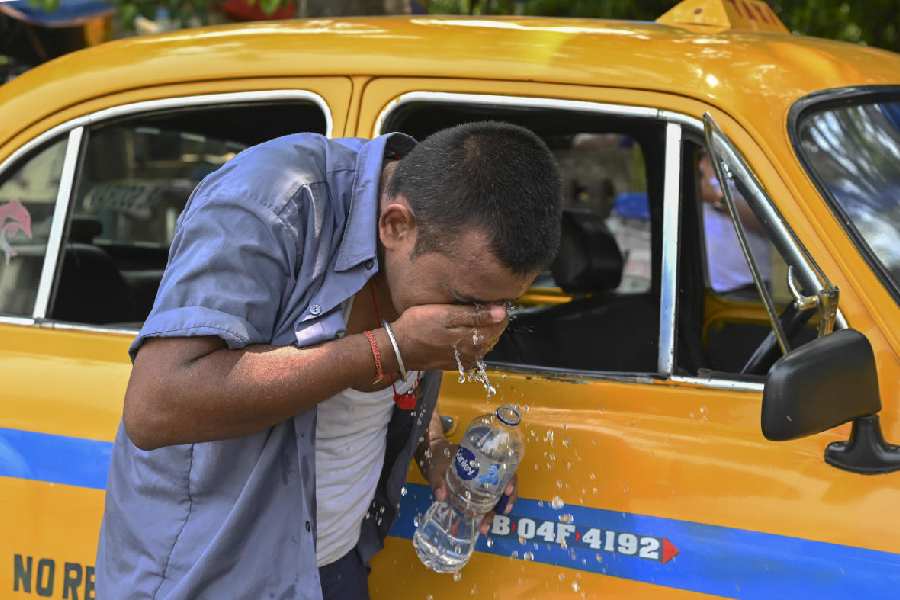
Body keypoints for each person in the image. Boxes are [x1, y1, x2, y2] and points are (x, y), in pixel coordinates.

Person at [96, 121, 562, 599]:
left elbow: (395, 382)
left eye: (499, 308)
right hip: (214, 575)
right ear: (395, 225)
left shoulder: (439, 225)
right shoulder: (273, 201)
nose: (478, 324)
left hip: (334, 566)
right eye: (464, 303)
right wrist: (390, 349)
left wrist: (435, 451)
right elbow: (155, 407)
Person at [698, 151, 771, 294]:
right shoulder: (683, 160)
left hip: (748, 285)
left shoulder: (747, 162)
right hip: (704, 288)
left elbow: (766, 224)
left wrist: (719, 200)